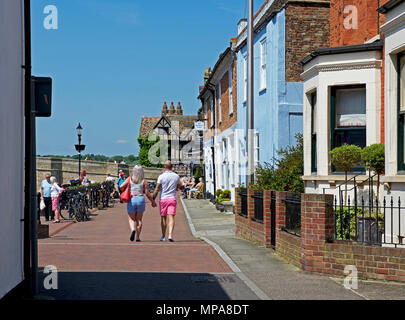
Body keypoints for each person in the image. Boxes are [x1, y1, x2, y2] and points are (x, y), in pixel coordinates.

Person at [120, 166, 157, 242]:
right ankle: (137, 237)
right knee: (139, 219)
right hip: (140, 199)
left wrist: (128, 188)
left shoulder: (130, 178)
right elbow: (147, 193)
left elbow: (121, 186)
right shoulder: (143, 181)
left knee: (131, 219)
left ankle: (133, 229)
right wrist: (152, 201)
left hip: (132, 199)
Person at [153, 160, 183, 242]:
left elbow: (157, 188)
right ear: (172, 167)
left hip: (163, 198)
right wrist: (178, 188)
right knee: (171, 217)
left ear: (164, 167)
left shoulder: (161, 176)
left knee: (163, 218)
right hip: (172, 198)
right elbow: (181, 186)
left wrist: (153, 199)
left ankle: (163, 236)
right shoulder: (176, 176)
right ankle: (170, 235)